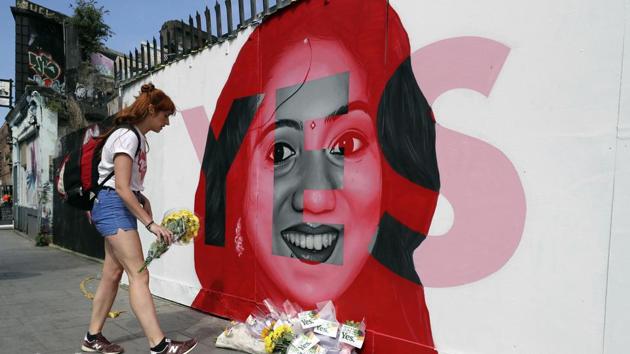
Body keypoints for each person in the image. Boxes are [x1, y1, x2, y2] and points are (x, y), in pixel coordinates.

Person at [82, 83, 197, 354]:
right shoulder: (128, 137)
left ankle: (92, 337)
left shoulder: (136, 137)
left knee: (112, 274)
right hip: (112, 207)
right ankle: (159, 345)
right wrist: (150, 223)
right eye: (164, 116)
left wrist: (142, 197)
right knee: (139, 274)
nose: (166, 123)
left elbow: (125, 184)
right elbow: (120, 187)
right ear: (151, 110)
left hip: (114, 204)